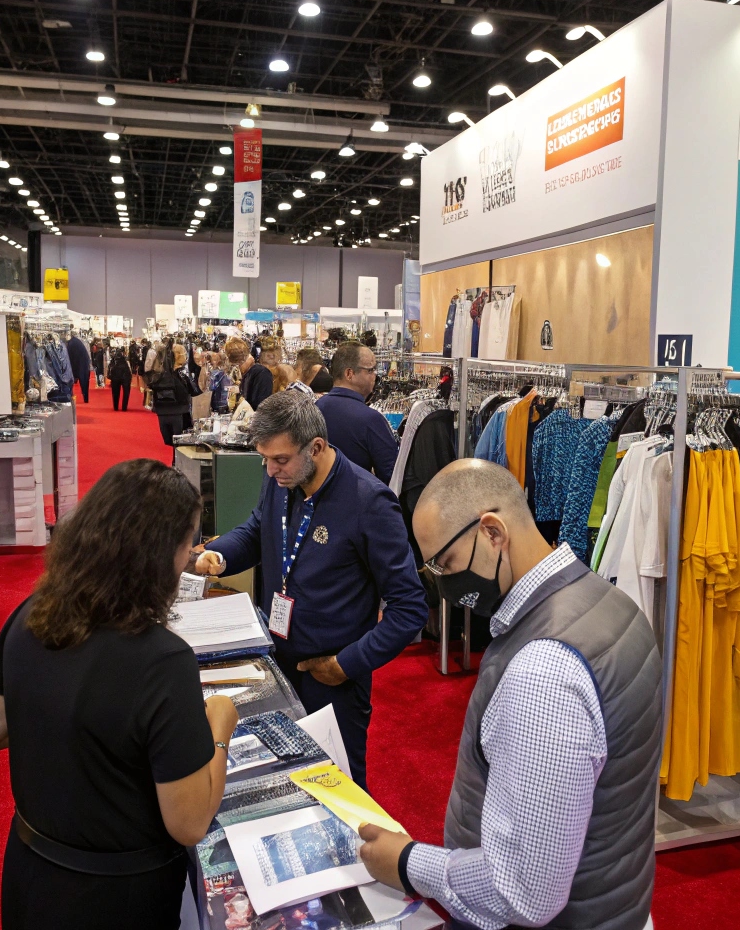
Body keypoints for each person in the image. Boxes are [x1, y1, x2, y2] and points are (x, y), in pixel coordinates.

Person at [357, 459, 662, 930]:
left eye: (447, 563)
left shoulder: (544, 670)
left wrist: (405, 863)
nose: (443, 582)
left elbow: (523, 889)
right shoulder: (611, 604)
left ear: (492, 532)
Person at [0, 459, 239, 930]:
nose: (190, 556)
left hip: (31, 872)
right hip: (121, 893)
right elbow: (190, 822)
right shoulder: (162, 660)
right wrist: (220, 728)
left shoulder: (32, 613)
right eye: (186, 544)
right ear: (161, 554)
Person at [195, 393, 428, 788]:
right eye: (264, 459)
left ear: (316, 447)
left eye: (280, 459)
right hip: (276, 657)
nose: (270, 470)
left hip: (333, 677)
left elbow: (410, 608)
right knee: (280, 779)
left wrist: (347, 664)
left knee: (339, 789)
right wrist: (220, 555)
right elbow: (258, 530)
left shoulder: (370, 502)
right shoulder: (282, 480)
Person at [316, 340, 399, 484]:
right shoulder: (371, 420)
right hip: (356, 501)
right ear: (349, 374)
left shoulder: (314, 409)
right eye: (370, 370)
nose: (375, 376)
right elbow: (391, 476)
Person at [152, 340, 203, 446]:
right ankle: (177, 462)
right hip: (179, 412)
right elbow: (195, 392)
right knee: (180, 443)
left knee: (170, 441)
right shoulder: (182, 375)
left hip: (162, 412)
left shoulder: (159, 373)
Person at [226, 336, 272, 411]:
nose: (238, 369)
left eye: (237, 365)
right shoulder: (249, 374)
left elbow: (260, 406)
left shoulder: (262, 373)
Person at [107, 346, 132, 412]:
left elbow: (110, 368)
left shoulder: (113, 360)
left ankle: (115, 406)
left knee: (115, 392)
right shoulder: (126, 360)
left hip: (115, 377)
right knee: (126, 392)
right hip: (125, 377)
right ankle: (124, 407)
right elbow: (129, 369)